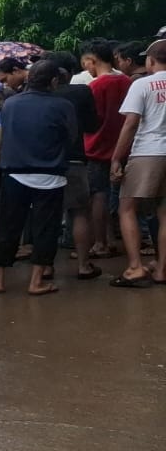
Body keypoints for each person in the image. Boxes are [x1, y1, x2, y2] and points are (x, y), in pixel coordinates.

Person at [0, 60, 78, 296]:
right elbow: (71, 138)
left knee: (7, 226)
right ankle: (37, 281)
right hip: (50, 174)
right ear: (54, 81)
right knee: (46, 228)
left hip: (14, 173)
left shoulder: (11, 104)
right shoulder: (63, 105)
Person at [109, 39, 166, 286]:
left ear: (151, 60)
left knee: (127, 208)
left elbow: (131, 123)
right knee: (165, 212)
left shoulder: (142, 84)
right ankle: (162, 269)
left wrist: (116, 158)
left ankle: (135, 268)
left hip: (147, 152)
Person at [50, 63, 104, 280]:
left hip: (46, 162)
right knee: (80, 212)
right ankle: (83, 265)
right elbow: (92, 125)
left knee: (48, 214)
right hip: (74, 158)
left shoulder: (37, 96)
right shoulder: (81, 92)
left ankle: (45, 267)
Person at [81, 39, 134, 259]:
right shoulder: (127, 81)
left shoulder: (95, 86)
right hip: (125, 147)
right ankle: (113, 240)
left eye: (85, 63)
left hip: (97, 148)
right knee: (123, 196)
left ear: (91, 60)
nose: (86, 69)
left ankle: (100, 243)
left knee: (98, 195)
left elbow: (91, 119)